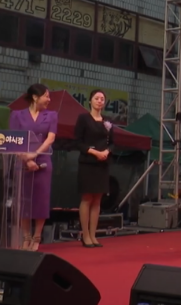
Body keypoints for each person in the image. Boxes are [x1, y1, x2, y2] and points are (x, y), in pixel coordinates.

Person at [9, 84, 57, 251]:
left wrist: (34, 154)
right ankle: (26, 236)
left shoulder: (51, 115)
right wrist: (26, 159)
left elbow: (50, 139)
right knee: (24, 200)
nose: (49, 99)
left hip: (43, 160)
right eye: (46, 96)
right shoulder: (17, 115)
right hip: (22, 162)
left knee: (41, 200)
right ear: (35, 97)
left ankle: (37, 236)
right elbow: (12, 139)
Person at [74, 90, 114, 248]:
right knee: (87, 198)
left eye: (102, 99)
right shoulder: (83, 119)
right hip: (88, 162)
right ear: (90, 101)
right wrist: (94, 152)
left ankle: (93, 234)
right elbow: (78, 142)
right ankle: (85, 235)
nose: (99, 101)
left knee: (97, 200)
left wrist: (107, 152)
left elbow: (113, 142)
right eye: (96, 98)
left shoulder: (107, 121)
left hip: (103, 164)